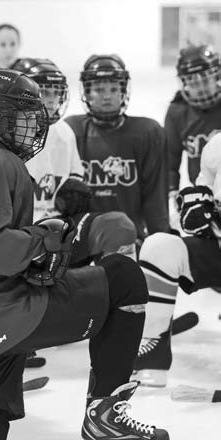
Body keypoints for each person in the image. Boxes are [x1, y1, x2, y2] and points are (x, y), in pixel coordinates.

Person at [0, 68, 169, 440]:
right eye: (22, 115)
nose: (33, 124)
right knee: (123, 278)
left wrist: (32, 246)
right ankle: (104, 414)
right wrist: (41, 241)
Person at [14, 57, 137, 265]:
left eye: (56, 93)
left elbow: (75, 181)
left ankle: (116, 293)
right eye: (44, 93)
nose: (52, 101)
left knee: (119, 226)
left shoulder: (64, 132)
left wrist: (74, 195)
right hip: (20, 236)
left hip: (58, 228)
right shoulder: (10, 135)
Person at [132, 133, 221, 387]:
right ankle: (152, 353)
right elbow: (205, 196)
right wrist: (199, 210)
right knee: (160, 247)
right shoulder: (216, 146)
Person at [65, 54, 168, 243]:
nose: (107, 96)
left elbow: (155, 197)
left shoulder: (147, 133)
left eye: (114, 88)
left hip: (131, 239)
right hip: (82, 243)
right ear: (86, 93)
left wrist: (158, 241)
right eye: (98, 89)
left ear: (123, 92)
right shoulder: (71, 131)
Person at [165, 44, 221, 228]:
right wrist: (172, 194)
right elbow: (169, 162)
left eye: (206, 80)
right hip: (203, 195)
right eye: (193, 82)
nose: (201, 88)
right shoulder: (177, 112)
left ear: (217, 77)